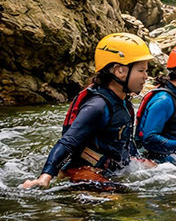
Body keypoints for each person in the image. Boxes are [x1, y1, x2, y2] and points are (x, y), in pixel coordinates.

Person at [22, 33, 155, 189]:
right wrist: (45, 176)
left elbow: (125, 143)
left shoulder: (124, 103)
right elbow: (68, 142)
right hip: (81, 170)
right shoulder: (97, 106)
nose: (146, 76)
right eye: (141, 71)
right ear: (120, 71)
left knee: (157, 171)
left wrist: (140, 161)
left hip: (109, 168)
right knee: (119, 197)